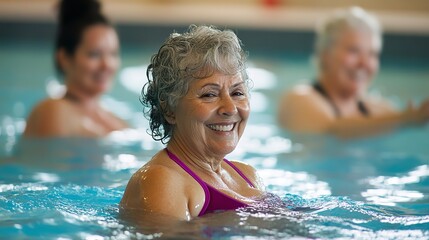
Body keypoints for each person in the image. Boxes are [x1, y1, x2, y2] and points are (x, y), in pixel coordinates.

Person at [120, 25, 265, 220]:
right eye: (209, 94)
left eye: (237, 93)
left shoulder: (248, 176)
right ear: (170, 110)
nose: (230, 108)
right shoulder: (162, 182)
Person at [278, 7, 429, 138]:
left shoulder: (381, 111)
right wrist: (403, 120)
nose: (364, 63)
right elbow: (331, 130)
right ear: (325, 54)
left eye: (372, 54)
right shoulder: (299, 99)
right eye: (353, 51)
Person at [23, 0, 127, 137]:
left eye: (113, 54)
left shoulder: (115, 120)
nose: (107, 65)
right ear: (64, 58)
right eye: (94, 54)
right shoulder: (54, 111)